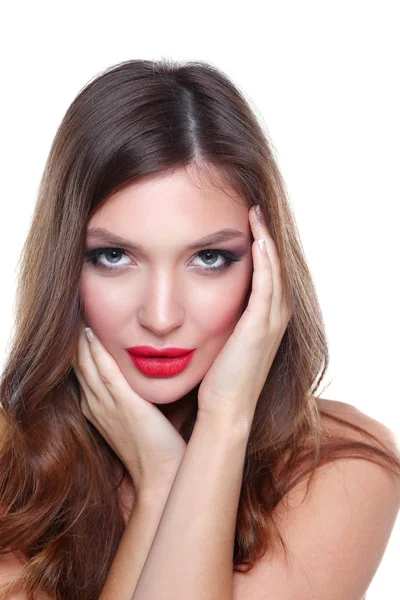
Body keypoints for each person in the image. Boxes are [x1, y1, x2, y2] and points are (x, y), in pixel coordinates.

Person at [0, 58, 398, 600]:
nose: (161, 317)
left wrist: (224, 419)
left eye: (208, 258)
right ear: (65, 265)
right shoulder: (10, 468)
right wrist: (161, 486)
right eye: (114, 256)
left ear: (263, 266)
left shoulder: (339, 464)